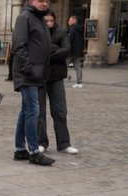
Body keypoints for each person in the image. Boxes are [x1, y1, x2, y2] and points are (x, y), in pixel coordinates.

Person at [12, 0, 54, 166]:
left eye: (46, 1)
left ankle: (20, 149)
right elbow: (19, 46)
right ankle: (34, 152)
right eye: (40, 0)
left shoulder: (40, 19)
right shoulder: (25, 17)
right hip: (28, 73)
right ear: (31, 1)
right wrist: (29, 69)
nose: (44, 3)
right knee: (33, 111)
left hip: (37, 73)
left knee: (26, 111)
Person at [37, 10, 79, 156]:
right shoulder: (37, 32)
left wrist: (49, 53)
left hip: (56, 76)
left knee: (60, 111)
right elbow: (36, 51)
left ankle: (64, 143)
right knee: (39, 112)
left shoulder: (61, 32)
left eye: (51, 21)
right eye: (46, 21)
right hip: (40, 76)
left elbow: (66, 50)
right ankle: (41, 142)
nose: (48, 23)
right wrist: (54, 50)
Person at [67, 16, 84, 88]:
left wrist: (65, 48)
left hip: (72, 51)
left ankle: (61, 78)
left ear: (74, 20)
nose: (68, 22)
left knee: (63, 64)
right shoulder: (80, 28)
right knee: (77, 66)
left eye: (70, 20)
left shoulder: (72, 28)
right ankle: (79, 82)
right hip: (78, 51)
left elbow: (69, 39)